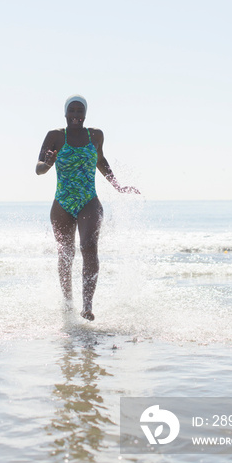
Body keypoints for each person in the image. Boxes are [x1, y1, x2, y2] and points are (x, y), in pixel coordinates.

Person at [36, 95, 140, 321]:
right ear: (65, 113)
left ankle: (87, 305)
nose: (76, 115)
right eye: (71, 111)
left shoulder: (96, 135)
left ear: (85, 113)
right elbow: (38, 169)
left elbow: (100, 160)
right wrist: (48, 163)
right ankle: (67, 303)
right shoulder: (55, 136)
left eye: (79, 111)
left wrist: (117, 185)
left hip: (89, 200)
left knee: (89, 247)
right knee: (66, 254)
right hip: (62, 202)